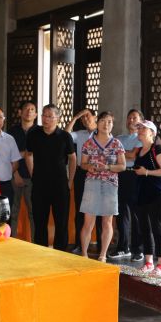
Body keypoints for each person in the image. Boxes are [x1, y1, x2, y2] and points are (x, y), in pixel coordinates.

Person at [25, 104, 76, 251]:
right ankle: (40, 251)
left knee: (61, 222)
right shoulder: (33, 134)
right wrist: (33, 173)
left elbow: (72, 158)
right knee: (39, 221)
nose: (45, 119)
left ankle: (61, 252)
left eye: (49, 116)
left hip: (60, 185)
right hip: (39, 185)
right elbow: (28, 154)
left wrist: (70, 180)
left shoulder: (65, 136)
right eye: (43, 115)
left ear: (57, 118)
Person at [78, 111, 126, 262]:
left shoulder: (117, 143)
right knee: (88, 221)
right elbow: (82, 163)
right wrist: (89, 167)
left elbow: (123, 166)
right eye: (103, 121)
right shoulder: (89, 143)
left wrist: (108, 167)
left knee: (107, 221)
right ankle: (84, 254)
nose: (106, 124)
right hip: (92, 183)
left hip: (110, 184)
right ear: (97, 123)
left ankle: (103, 255)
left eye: (110, 122)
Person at [133, 120, 161, 275]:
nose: (140, 130)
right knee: (144, 228)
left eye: (144, 128)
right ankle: (148, 262)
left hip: (157, 194)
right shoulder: (139, 150)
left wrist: (146, 172)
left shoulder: (157, 149)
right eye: (139, 128)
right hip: (142, 194)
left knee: (157, 227)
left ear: (152, 133)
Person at [109, 109, 144, 261]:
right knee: (121, 213)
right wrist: (124, 153)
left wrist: (120, 153)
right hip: (120, 175)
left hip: (135, 175)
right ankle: (123, 247)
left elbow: (133, 155)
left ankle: (138, 249)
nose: (131, 120)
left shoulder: (141, 137)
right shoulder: (119, 138)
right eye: (129, 118)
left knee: (136, 214)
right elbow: (112, 154)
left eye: (134, 118)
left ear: (141, 121)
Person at [66, 108, 101, 253]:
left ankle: (101, 245)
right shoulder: (80, 134)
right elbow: (66, 134)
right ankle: (79, 244)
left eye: (88, 116)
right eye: (83, 118)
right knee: (80, 208)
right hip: (82, 173)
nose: (85, 119)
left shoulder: (102, 133)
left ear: (95, 117)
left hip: (99, 173)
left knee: (99, 210)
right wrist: (75, 117)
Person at [8, 101, 37, 241]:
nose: (29, 111)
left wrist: (23, 154)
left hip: (34, 178)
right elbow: (8, 155)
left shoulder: (40, 131)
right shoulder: (11, 132)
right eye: (26, 109)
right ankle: (11, 241)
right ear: (20, 112)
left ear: (36, 114)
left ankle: (36, 243)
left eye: (32, 109)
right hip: (15, 176)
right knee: (13, 211)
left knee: (34, 212)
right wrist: (15, 174)